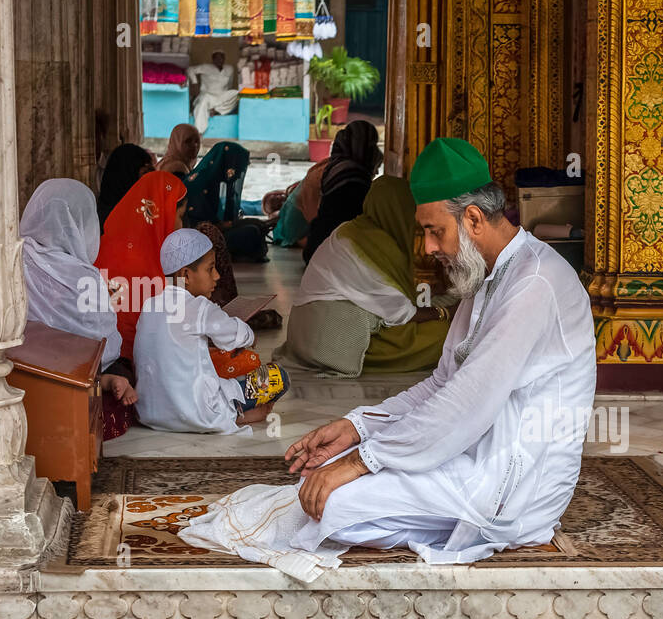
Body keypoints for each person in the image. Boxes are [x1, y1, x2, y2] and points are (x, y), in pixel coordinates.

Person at [179, 137, 597, 577]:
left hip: (513, 483)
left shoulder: (534, 284)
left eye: (436, 231)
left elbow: (467, 404)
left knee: (333, 500)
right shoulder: (491, 277)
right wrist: (356, 427)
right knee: (318, 490)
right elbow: (442, 384)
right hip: (471, 453)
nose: (430, 248)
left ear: (473, 219)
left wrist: (361, 461)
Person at [275, 176, 450, 376]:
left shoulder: (352, 231)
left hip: (306, 336)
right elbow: (403, 314)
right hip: (333, 346)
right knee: (444, 335)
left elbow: (392, 293)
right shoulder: (372, 247)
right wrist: (445, 312)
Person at [133, 229, 289, 434]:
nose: (217, 276)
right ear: (186, 275)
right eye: (210, 268)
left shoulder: (149, 306)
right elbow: (241, 336)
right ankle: (240, 413)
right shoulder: (199, 307)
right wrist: (249, 333)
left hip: (150, 414)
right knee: (278, 376)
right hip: (198, 414)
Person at [19, 179, 137, 440]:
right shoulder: (83, 277)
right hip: (71, 381)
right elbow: (106, 345)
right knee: (121, 372)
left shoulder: (12, 257)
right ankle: (103, 383)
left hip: (16, 376)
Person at [94, 171, 188, 362]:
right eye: (179, 216)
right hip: (139, 366)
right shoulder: (155, 265)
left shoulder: (100, 247)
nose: (181, 225)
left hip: (97, 362)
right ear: (165, 215)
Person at [303, 120, 381, 266]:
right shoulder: (354, 177)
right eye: (372, 146)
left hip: (316, 249)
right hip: (338, 255)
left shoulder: (335, 167)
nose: (376, 153)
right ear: (363, 147)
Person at [184, 141, 267, 262]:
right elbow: (199, 227)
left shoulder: (215, 181)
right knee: (251, 232)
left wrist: (234, 223)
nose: (239, 172)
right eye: (238, 166)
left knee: (258, 226)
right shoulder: (200, 185)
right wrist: (231, 225)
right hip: (197, 240)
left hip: (214, 231)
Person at [96, 143, 156, 230]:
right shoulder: (113, 216)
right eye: (144, 173)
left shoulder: (140, 204)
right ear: (128, 174)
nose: (148, 180)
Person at [187, 50, 239, 135]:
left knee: (236, 93)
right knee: (202, 103)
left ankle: (216, 110)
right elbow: (190, 69)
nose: (219, 60)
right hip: (208, 95)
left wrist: (226, 96)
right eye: (216, 58)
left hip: (221, 95)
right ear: (213, 59)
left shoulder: (229, 69)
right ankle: (199, 131)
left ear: (224, 58)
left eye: (221, 57)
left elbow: (230, 84)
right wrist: (194, 82)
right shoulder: (206, 67)